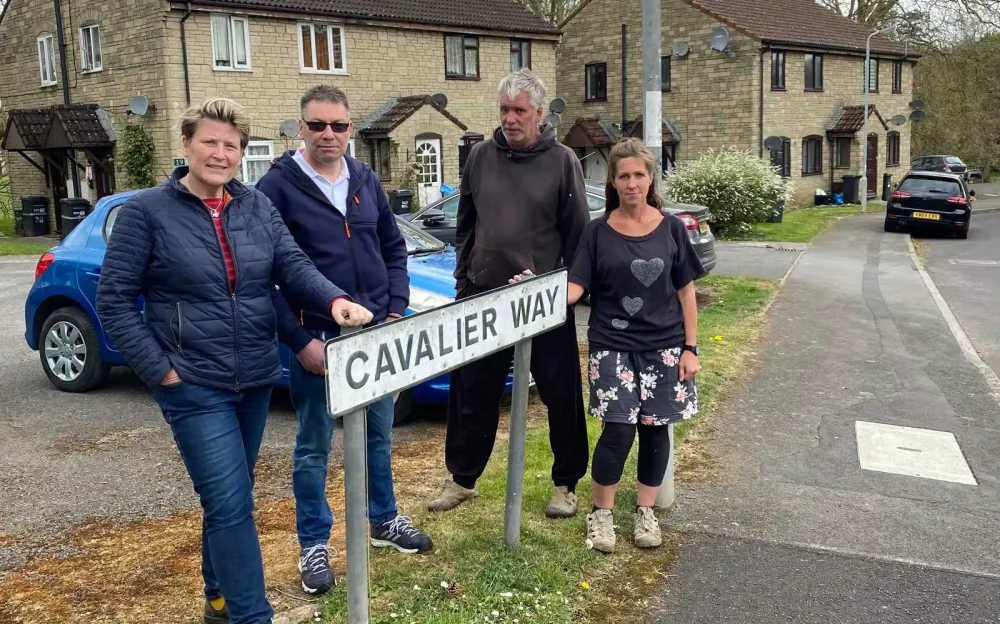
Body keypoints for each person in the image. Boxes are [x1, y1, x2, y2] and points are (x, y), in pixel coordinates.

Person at [96, 97, 372, 624]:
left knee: (230, 497)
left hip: (254, 379)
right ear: (186, 146)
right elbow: (114, 300)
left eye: (231, 145)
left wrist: (334, 300)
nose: (219, 154)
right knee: (231, 505)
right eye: (209, 142)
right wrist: (160, 370)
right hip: (192, 384)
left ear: (241, 153)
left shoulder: (254, 206)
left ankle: (217, 597)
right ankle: (251, 615)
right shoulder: (146, 213)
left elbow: (291, 265)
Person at [255, 85, 432, 597]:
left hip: (374, 334)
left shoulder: (365, 179)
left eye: (339, 125)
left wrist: (395, 309)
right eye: (318, 125)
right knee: (314, 447)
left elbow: (394, 248)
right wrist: (298, 340)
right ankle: (313, 544)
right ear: (300, 127)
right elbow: (264, 278)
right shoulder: (276, 187)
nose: (329, 135)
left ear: (351, 128)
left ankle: (384, 520)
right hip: (318, 341)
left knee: (379, 433)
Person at [513, 137, 703, 553]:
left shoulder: (671, 228)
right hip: (612, 345)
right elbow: (576, 286)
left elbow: (686, 292)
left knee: (656, 432)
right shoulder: (596, 231)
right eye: (623, 176)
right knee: (617, 430)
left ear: (651, 178)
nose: (632, 183)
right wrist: (535, 291)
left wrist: (691, 349)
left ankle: (645, 513)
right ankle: (601, 515)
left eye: (639, 174)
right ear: (614, 183)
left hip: (666, 347)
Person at [427, 68, 591, 518]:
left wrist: (567, 290)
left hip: (542, 301)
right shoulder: (480, 156)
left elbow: (577, 236)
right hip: (484, 297)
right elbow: (466, 224)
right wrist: (464, 284)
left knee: (561, 394)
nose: (510, 119)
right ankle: (462, 479)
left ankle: (565, 483)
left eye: (519, 110)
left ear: (538, 113)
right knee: (471, 392)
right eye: (504, 110)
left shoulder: (562, 161)